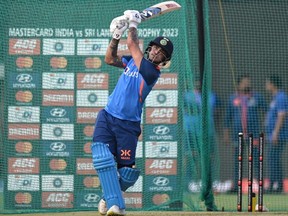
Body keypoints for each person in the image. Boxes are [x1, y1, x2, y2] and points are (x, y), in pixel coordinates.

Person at [91, 10, 174, 216]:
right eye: (154, 48)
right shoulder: (130, 61)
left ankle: (107, 198)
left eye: (160, 53)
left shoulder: (151, 72)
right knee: (102, 158)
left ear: (163, 60)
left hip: (128, 125)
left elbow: (132, 44)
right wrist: (116, 35)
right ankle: (117, 206)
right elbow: (109, 59)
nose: (155, 52)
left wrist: (134, 24)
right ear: (149, 48)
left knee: (127, 173)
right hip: (108, 116)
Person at [224, 74, 266, 192]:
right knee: (238, 160)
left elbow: (266, 113)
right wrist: (226, 135)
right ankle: (236, 186)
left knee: (256, 160)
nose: (247, 84)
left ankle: (259, 184)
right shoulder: (233, 98)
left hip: (254, 134)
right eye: (244, 82)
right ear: (239, 84)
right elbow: (228, 118)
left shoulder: (257, 97)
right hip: (238, 135)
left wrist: (264, 132)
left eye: (249, 82)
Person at [265, 75, 288, 193]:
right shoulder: (275, 97)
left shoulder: (281, 97)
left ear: (273, 84)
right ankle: (276, 184)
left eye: (268, 83)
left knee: (273, 159)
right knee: (273, 159)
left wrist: (275, 133)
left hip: (278, 135)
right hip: (273, 135)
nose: (266, 85)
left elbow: (282, 115)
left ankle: (276, 185)